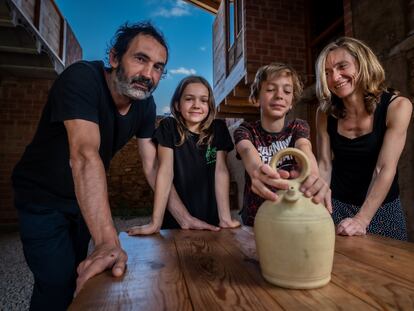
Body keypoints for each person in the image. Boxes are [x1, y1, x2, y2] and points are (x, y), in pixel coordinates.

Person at [11, 21, 170, 310]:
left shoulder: (146, 105)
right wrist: (108, 241)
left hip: (82, 199)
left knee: (80, 273)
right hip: (41, 198)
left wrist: (184, 217)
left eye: (158, 67)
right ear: (113, 58)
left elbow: (152, 168)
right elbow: (84, 155)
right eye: (140, 59)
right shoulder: (81, 78)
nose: (148, 74)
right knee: (55, 284)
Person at [315, 37, 412, 240]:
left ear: (363, 64)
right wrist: (320, 206)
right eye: (327, 73)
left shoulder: (398, 107)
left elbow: (384, 168)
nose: (335, 77)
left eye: (342, 66)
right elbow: (324, 165)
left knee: (390, 270)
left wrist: (361, 219)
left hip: (382, 209)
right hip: (337, 205)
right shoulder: (324, 113)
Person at [128, 75, 240, 235]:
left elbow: (220, 171)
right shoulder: (169, 127)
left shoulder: (218, 129)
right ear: (177, 104)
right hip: (175, 223)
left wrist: (225, 217)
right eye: (189, 99)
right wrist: (155, 223)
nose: (196, 105)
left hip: (211, 220)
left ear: (210, 105)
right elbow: (165, 171)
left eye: (203, 100)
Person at [234, 63, 331, 226]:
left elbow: (304, 148)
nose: (279, 95)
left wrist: (313, 174)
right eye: (271, 89)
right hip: (255, 218)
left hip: (291, 216)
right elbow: (246, 149)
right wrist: (257, 170)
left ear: (292, 101)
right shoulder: (245, 130)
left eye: (287, 91)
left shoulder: (298, 127)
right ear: (256, 98)